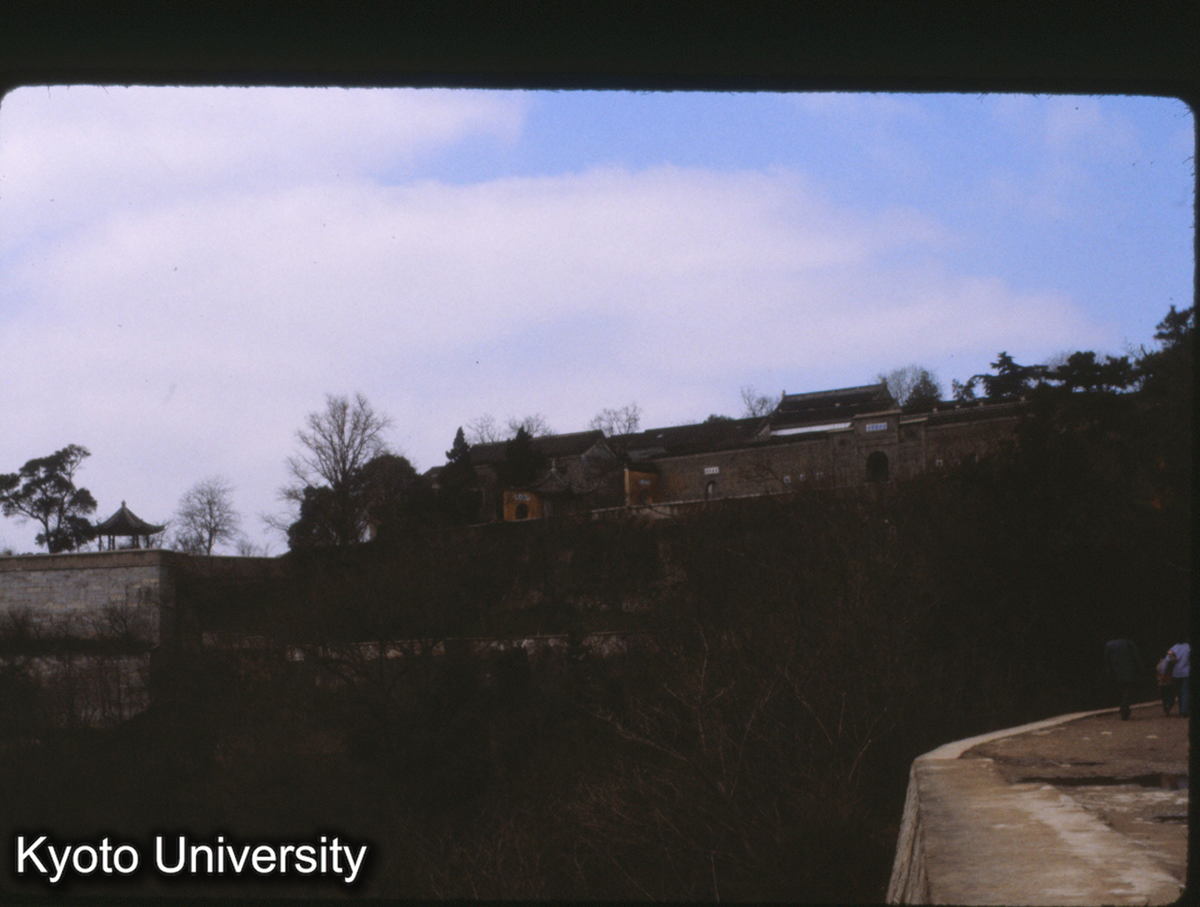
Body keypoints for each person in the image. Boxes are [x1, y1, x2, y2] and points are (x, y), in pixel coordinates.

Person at [1104, 638, 1146, 720]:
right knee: (1128, 690)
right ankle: (1124, 708)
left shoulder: (1109, 645)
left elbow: (1107, 661)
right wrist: (1141, 670)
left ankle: (1123, 708)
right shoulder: (1129, 643)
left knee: (1121, 690)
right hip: (1129, 671)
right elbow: (1136, 658)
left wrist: (1109, 673)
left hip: (1116, 672)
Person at [1165, 642, 1190, 718]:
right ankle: (1184, 710)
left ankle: (1174, 706)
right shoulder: (1189, 648)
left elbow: (1167, 660)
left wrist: (1164, 671)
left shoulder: (1173, 648)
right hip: (1187, 672)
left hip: (1176, 673)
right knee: (1185, 691)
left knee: (1178, 692)